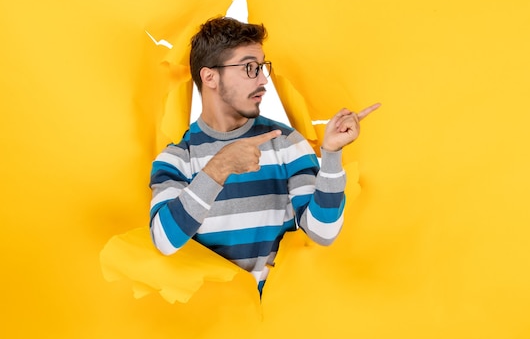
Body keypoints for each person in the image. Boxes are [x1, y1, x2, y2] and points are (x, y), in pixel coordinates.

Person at [149, 16, 380, 294]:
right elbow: (164, 240)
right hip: (214, 322)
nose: (263, 80)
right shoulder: (176, 159)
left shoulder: (286, 144)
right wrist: (219, 167)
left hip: (278, 318)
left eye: (261, 67)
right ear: (210, 76)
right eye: (249, 68)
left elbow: (323, 232)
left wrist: (331, 155)